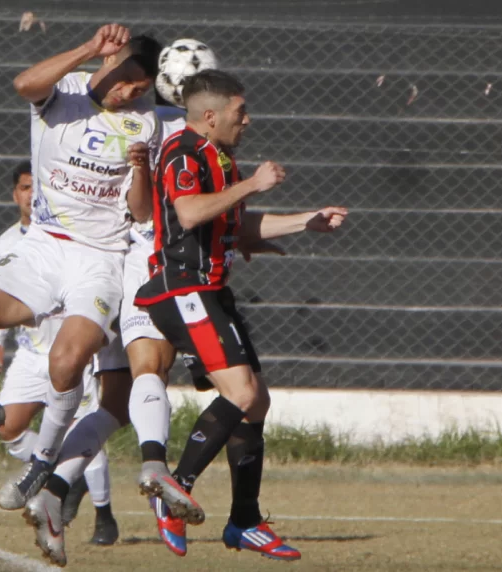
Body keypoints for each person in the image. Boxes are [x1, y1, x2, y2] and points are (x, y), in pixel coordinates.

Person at [0, 24, 162, 519]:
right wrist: (87, 49)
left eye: (140, 90)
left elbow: (141, 213)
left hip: (99, 258)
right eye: (125, 81)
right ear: (108, 61)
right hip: (42, 247)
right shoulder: (69, 92)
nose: (128, 94)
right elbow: (24, 85)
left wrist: (141, 169)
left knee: (67, 361)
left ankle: (42, 461)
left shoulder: (144, 125)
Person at [134, 69, 348, 561]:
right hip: (182, 290)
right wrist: (253, 183)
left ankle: (244, 521)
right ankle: (174, 490)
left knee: (255, 404)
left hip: (211, 292)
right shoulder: (183, 152)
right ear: (210, 117)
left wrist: (305, 222)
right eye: (239, 113)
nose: (247, 120)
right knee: (242, 391)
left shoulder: (220, 157)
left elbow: (235, 222)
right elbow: (189, 213)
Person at [0, 161, 119, 546]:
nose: (30, 194)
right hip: (31, 352)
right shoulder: (8, 243)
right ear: (15, 194)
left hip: (71, 349)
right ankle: (59, 471)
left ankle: (105, 517)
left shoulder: (71, 236)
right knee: (6, 426)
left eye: (35, 187)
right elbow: (6, 294)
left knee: (82, 429)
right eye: (24, 188)